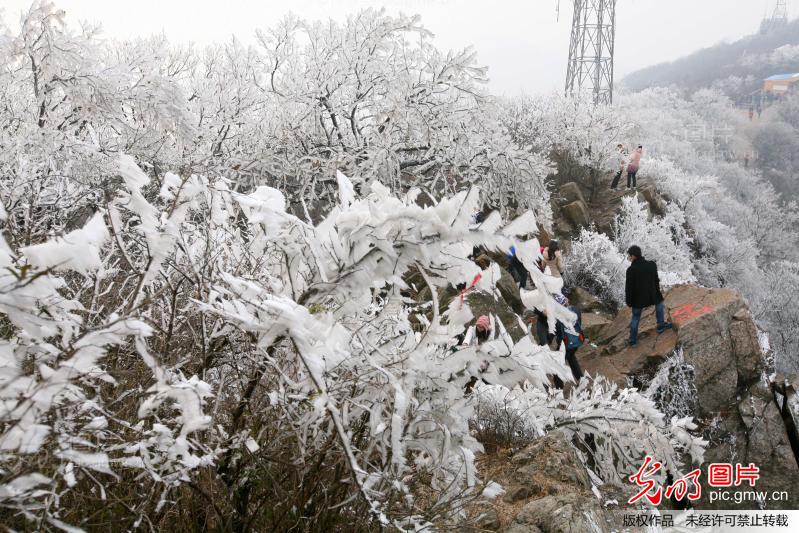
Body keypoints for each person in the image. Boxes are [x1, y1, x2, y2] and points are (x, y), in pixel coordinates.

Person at [625, 245, 673, 347]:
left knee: (635, 318)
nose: (629, 258)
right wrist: (657, 292)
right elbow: (656, 280)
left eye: (629, 256)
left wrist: (628, 301)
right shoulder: (651, 265)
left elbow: (629, 288)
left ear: (633, 256)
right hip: (652, 295)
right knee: (659, 305)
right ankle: (660, 326)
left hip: (638, 299)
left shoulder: (631, 270)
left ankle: (633, 340)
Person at [553, 293, 585, 387]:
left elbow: (556, 333)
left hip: (564, 344)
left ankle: (559, 390)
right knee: (571, 358)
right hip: (577, 341)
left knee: (557, 365)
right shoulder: (576, 310)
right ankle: (581, 380)